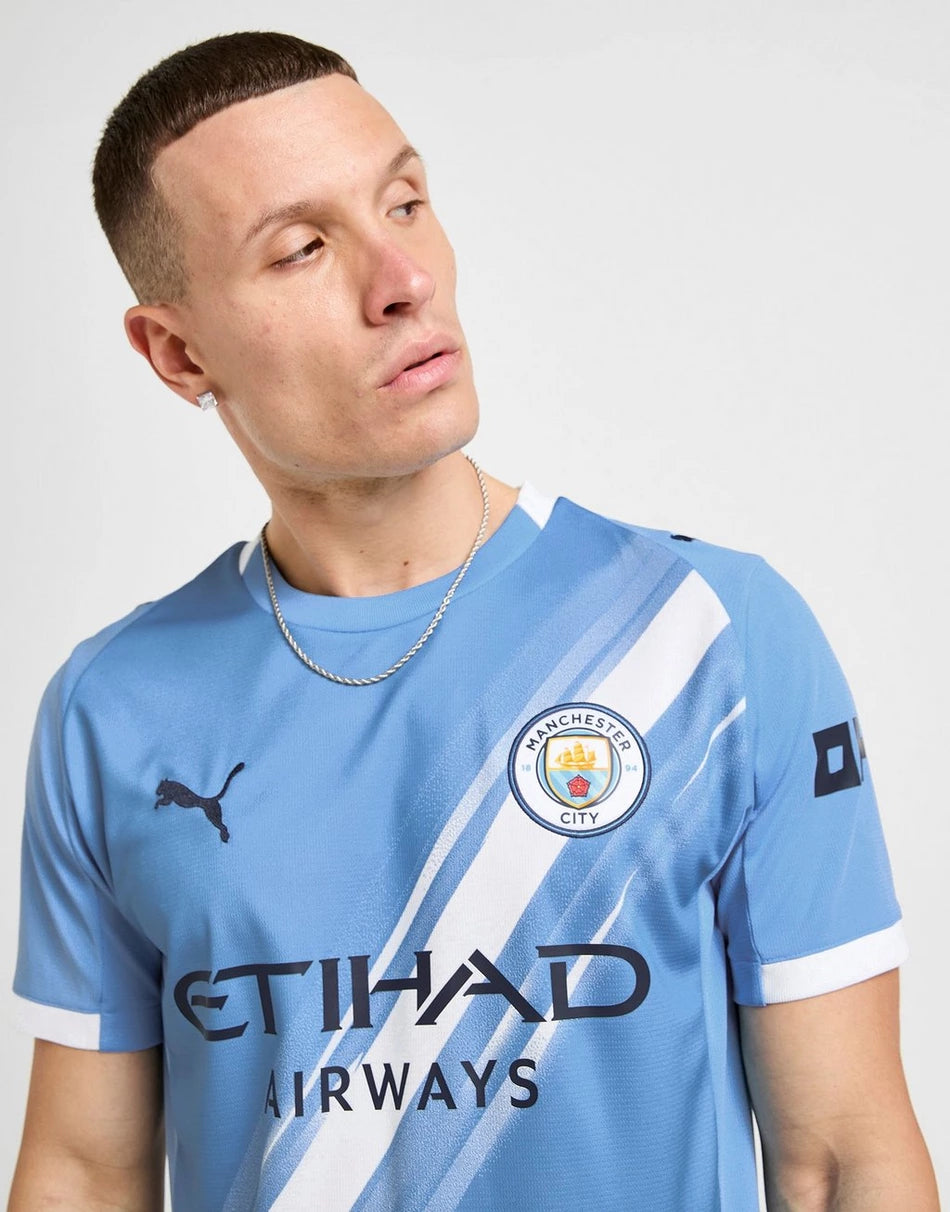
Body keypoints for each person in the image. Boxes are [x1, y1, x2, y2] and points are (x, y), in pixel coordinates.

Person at [7, 30, 939, 1212]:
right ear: (179, 353)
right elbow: (84, 1173)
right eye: (301, 248)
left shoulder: (708, 634)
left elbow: (842, 1158)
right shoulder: (113, 708)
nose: (401, 278)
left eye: (404, 202)